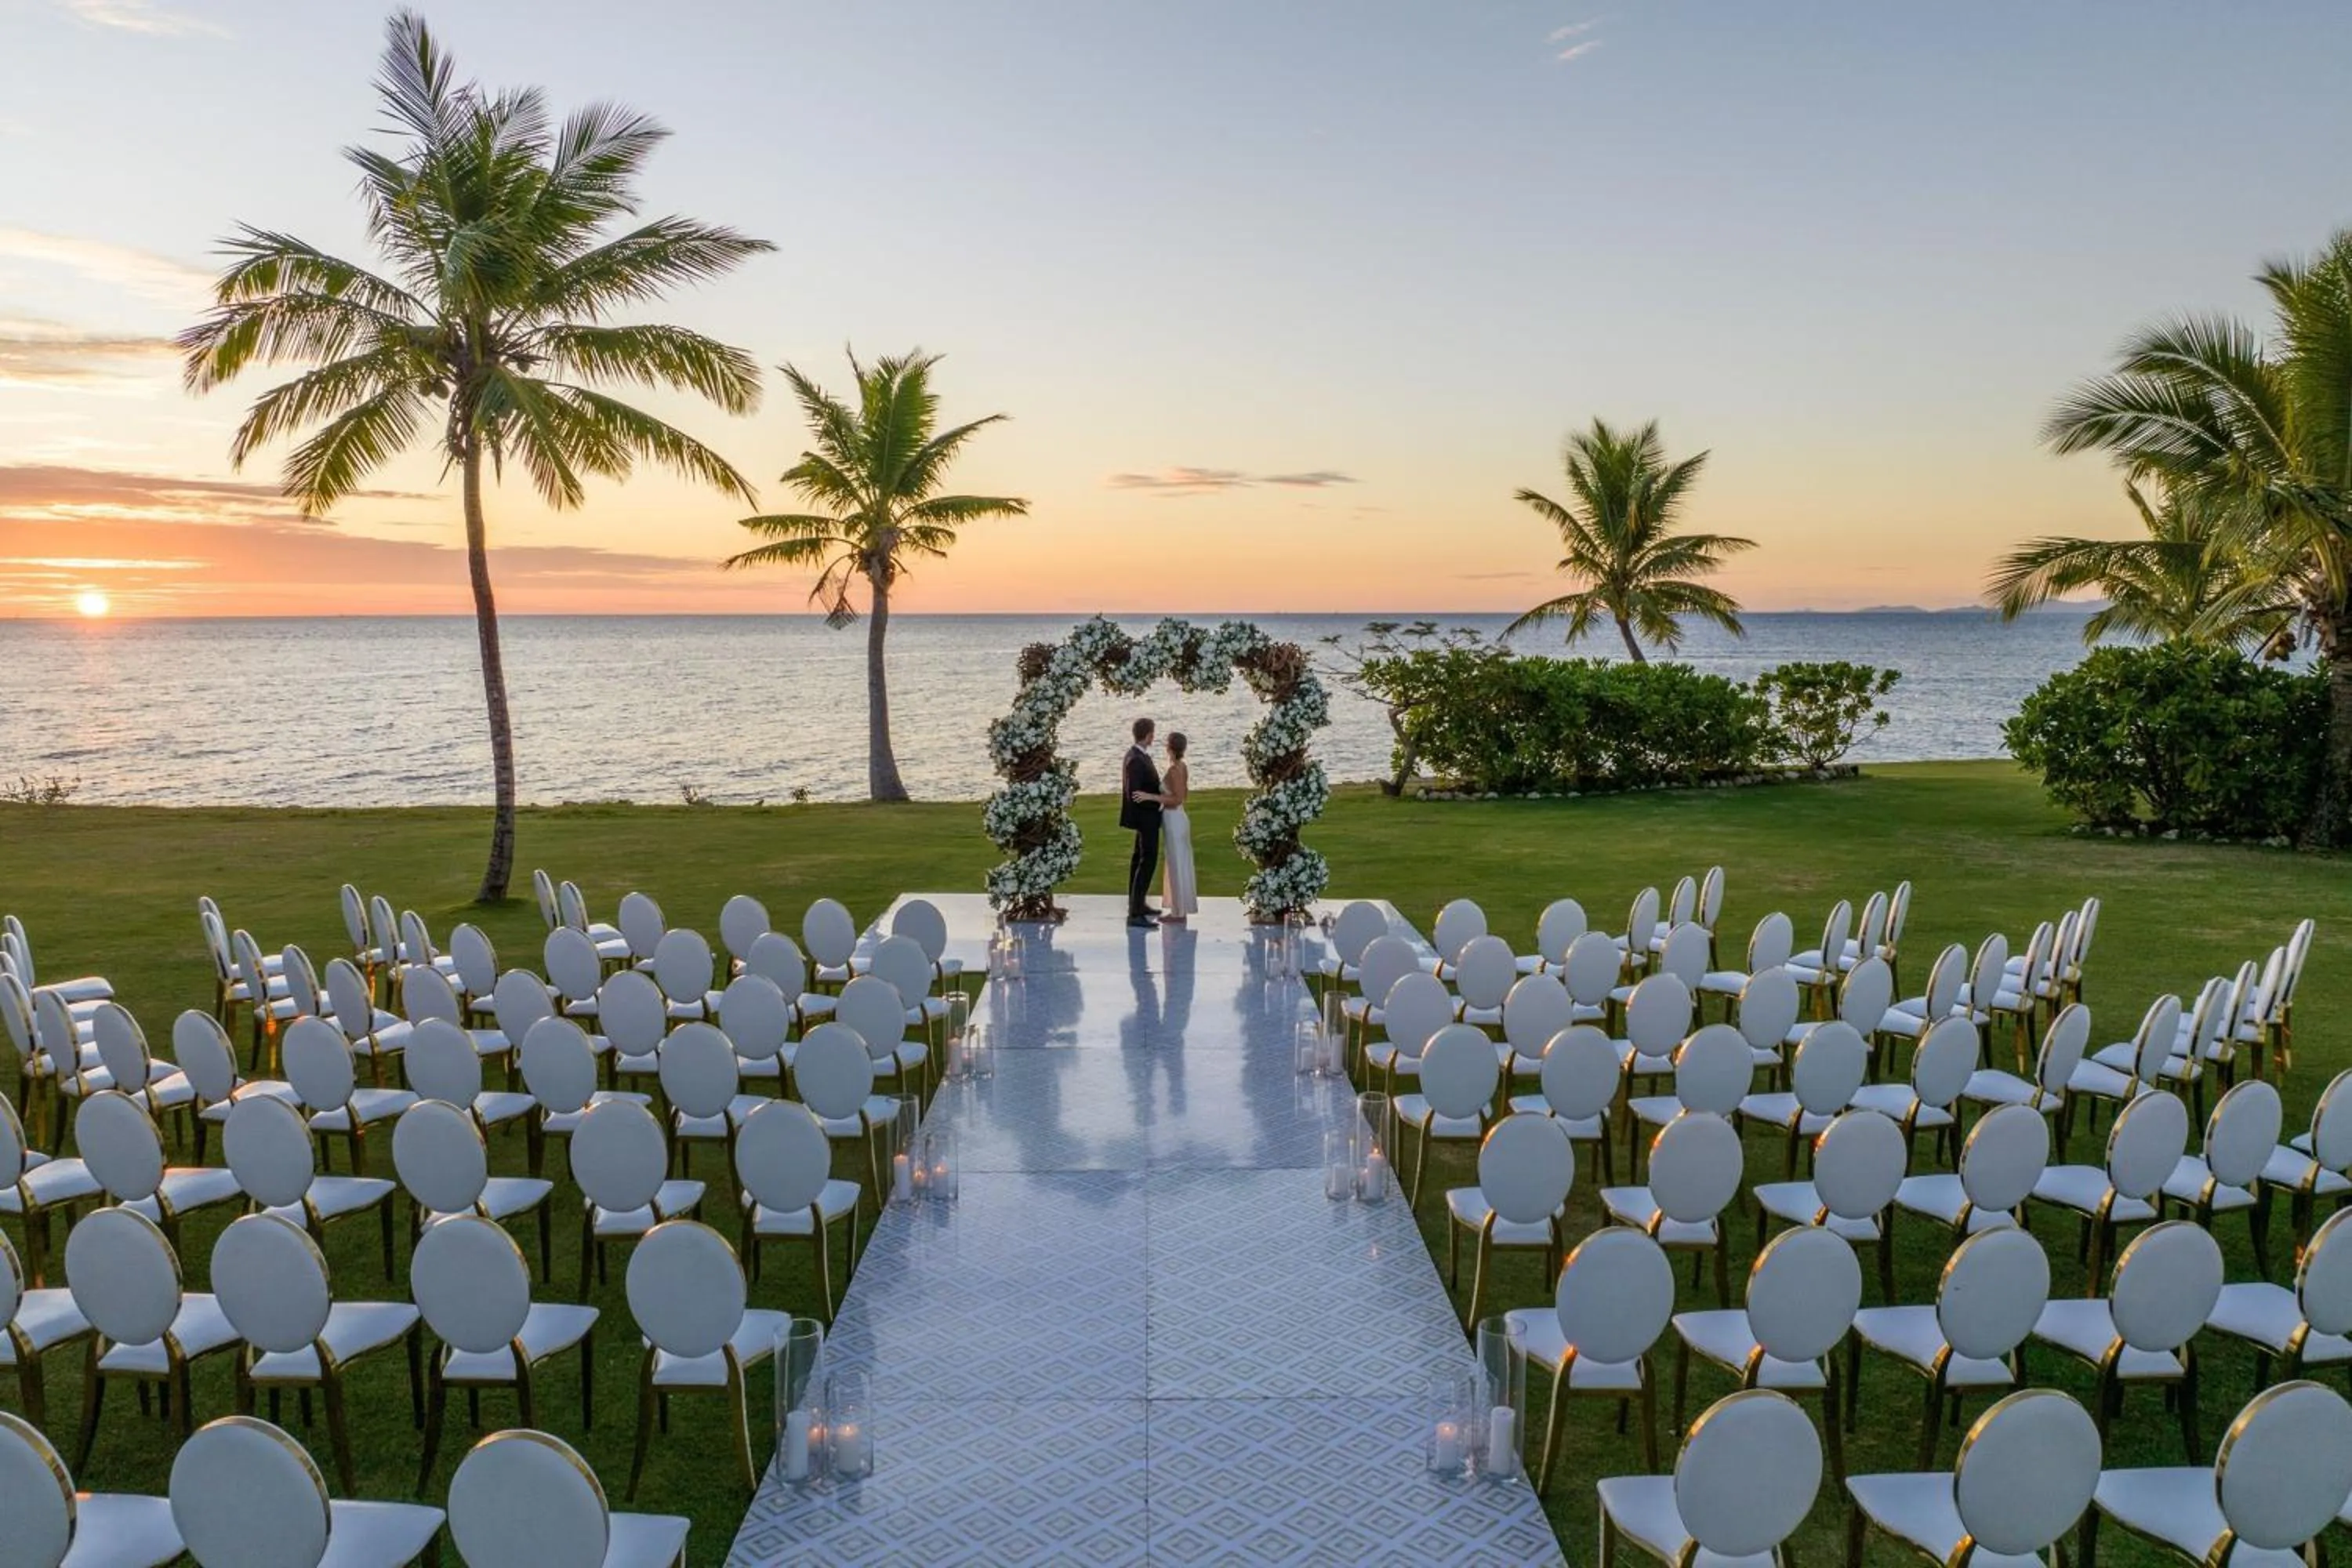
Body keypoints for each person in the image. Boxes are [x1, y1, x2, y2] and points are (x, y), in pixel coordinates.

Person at [1148, 731, 1196, 921]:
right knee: (1178, 863)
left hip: (1174, 819)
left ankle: (1178, 912)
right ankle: (1179, 908)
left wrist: (1153, 797)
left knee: (1176, 864)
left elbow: (1177, 799)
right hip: (1179, 818)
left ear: (1170, 748)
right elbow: (1185, 795)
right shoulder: (1182, 767)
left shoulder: (1175, 770)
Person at [1120, 717, 1163, 927]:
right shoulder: (1136, 759)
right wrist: (1156, 802)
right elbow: (1135, 792)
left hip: (1146, 818)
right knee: (1148, 860)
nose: (1153, 737)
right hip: (1145, 818)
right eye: (1153, 733)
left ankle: (1138, 904)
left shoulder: (1138, 755)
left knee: (1139, 860)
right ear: (1148, 735)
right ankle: (1135, 914)